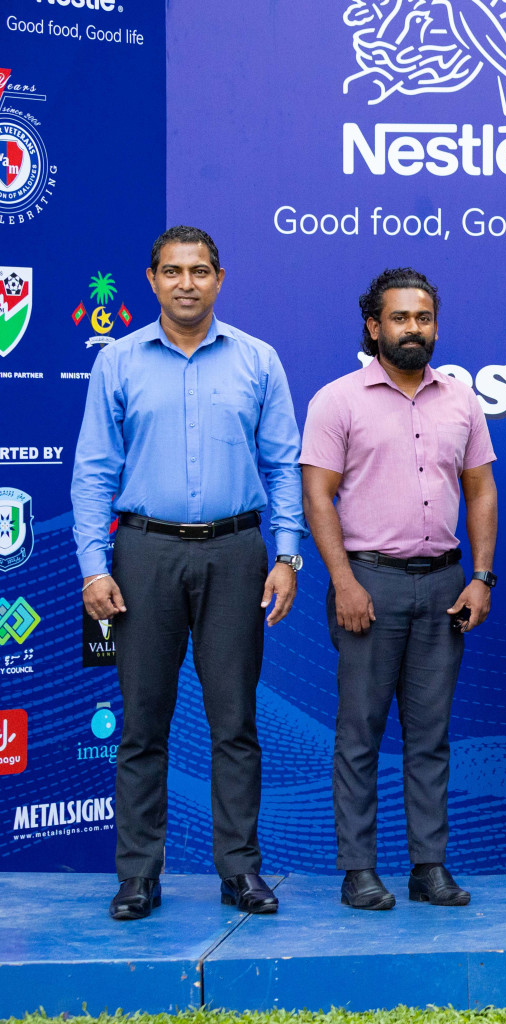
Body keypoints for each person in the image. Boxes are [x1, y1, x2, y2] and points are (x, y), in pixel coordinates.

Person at [72, 226, 304, 920]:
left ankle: (240, 872)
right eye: (172, 272)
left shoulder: (258, 361)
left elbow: (282, 466)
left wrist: (287, 555)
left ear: (220, 279)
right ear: (151, 280)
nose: (186, 284)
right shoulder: (117, 361)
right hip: (143, 555)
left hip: (236, 553)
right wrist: (93, 567)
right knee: (143, 725)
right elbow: (92, 472)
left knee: (235, 723)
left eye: (200, 271)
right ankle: (139, 875)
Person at [300, 267, 497, 911]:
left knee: (430, 735)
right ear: (373, 325)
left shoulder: (461, 400)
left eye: (423, 318)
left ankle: (428, 867)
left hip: (443, 584)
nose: (413, 329)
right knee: (360, 732)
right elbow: (318, 496)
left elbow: (481, 490)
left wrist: (482, 576)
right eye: (399, 318)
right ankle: (358, 869)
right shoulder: (337, 400)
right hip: (369, 584)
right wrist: (343, 582)